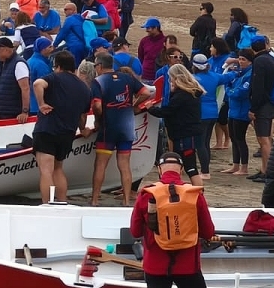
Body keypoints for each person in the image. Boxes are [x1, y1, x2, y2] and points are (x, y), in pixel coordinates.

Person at [129, 152, 216, 288]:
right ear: (181, 170)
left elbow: (135, 232)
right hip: (187, 266)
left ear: (159, 169)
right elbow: (208, 232)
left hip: (155, 265)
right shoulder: (194, 194)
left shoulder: (147, 194)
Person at [32, 51, 93, 204]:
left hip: (47, 129)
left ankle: (47, 203)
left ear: (58, 66)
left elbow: (37, 84)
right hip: (67, 132)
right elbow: (82, 116)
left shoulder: (55, 78)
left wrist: (41, 104)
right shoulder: (84, 88)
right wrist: (83, 129)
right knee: (58, 169)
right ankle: (62, 201)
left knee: (46, 171)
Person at [90, 52, 151, 206]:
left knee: (100, 164)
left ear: (100, 66)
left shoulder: (98, 81)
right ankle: (125, 201)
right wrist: (134, 106)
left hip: (108, 128)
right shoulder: (127, 78)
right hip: (126, 127)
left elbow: (97, 105)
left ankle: (95, 200)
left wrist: (98, 119)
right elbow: (146, 92)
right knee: (124, 165)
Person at [148, 65, 206, 186]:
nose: (170, 82)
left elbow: (167, 111)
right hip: (189, 133)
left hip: (185, 134)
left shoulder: (182, 95)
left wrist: (151, 109)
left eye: (171, 79)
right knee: (185, 165)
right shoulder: (192, 92)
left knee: (190, 168)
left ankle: (199, 194)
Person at [248, 38, 274, 182]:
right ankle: (264, 169)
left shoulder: (260, 61)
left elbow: (258, 87)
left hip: (263, 105)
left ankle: (267, 171)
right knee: (266, 138)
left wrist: (253, 108)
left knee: (263, 139)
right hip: (272, 103)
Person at [192, 54, 230, 179]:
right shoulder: (214, 76)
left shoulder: (193, 79)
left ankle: (205, 171)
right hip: (213, 113)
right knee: (206, 142)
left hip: (200, 114)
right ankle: (205, 170)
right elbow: (228, 77)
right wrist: (236, 69)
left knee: (200, 143)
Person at [221, 49, 255, 176]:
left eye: (243, 59)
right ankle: (235, 165)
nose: (240, 62)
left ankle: (244, 167)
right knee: (234, 138)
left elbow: (240, 93)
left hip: (242, 110)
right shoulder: (239, 73)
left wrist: (229, 90)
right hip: (233, 110)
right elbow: (230, 86)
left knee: (240, 139)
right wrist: (230, 88)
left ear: (250, 62)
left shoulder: (249, 75)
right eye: (240, 59)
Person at [0, 36, 32, 122]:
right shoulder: (3, 64)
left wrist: (24, 111)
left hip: (14, 114)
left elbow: (25, 88)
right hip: (4, 113)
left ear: (5, 49)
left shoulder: (19, 64)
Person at [138, 17, 167, 82]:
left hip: (160, 77)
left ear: (156, 28)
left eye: (148, 28)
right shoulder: (144, 41)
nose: (146, 30)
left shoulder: (165, 41)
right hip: (145, 76)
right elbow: (140, 57)